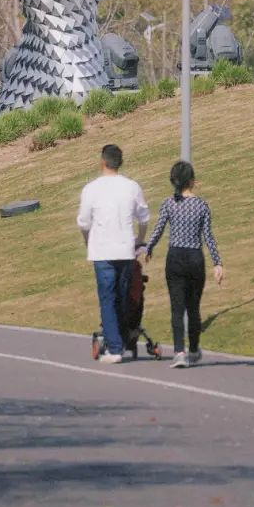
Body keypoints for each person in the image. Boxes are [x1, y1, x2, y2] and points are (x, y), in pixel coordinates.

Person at [146, 159, 224, 369]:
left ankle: (179, 352)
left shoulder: (169, 203)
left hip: (175, 258)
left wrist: (149, 247)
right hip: (195, 258)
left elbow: (159, 228)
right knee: (194, 308)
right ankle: (194, 349)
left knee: (176, 308)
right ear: (192, 181)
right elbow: (208, 236)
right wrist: (217, 263)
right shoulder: (201, 205)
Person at [77, 143, 150, 363]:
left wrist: (88, 242)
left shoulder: (91, 189)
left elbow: (83, 222)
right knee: (122, 296)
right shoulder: (131, 187)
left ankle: (115, 348)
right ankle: (121, 339)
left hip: (102, 251)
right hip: (125, 249)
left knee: (108, 298)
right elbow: (144, 217)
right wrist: (139, 239)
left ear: (102, 162)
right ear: (120, 163)